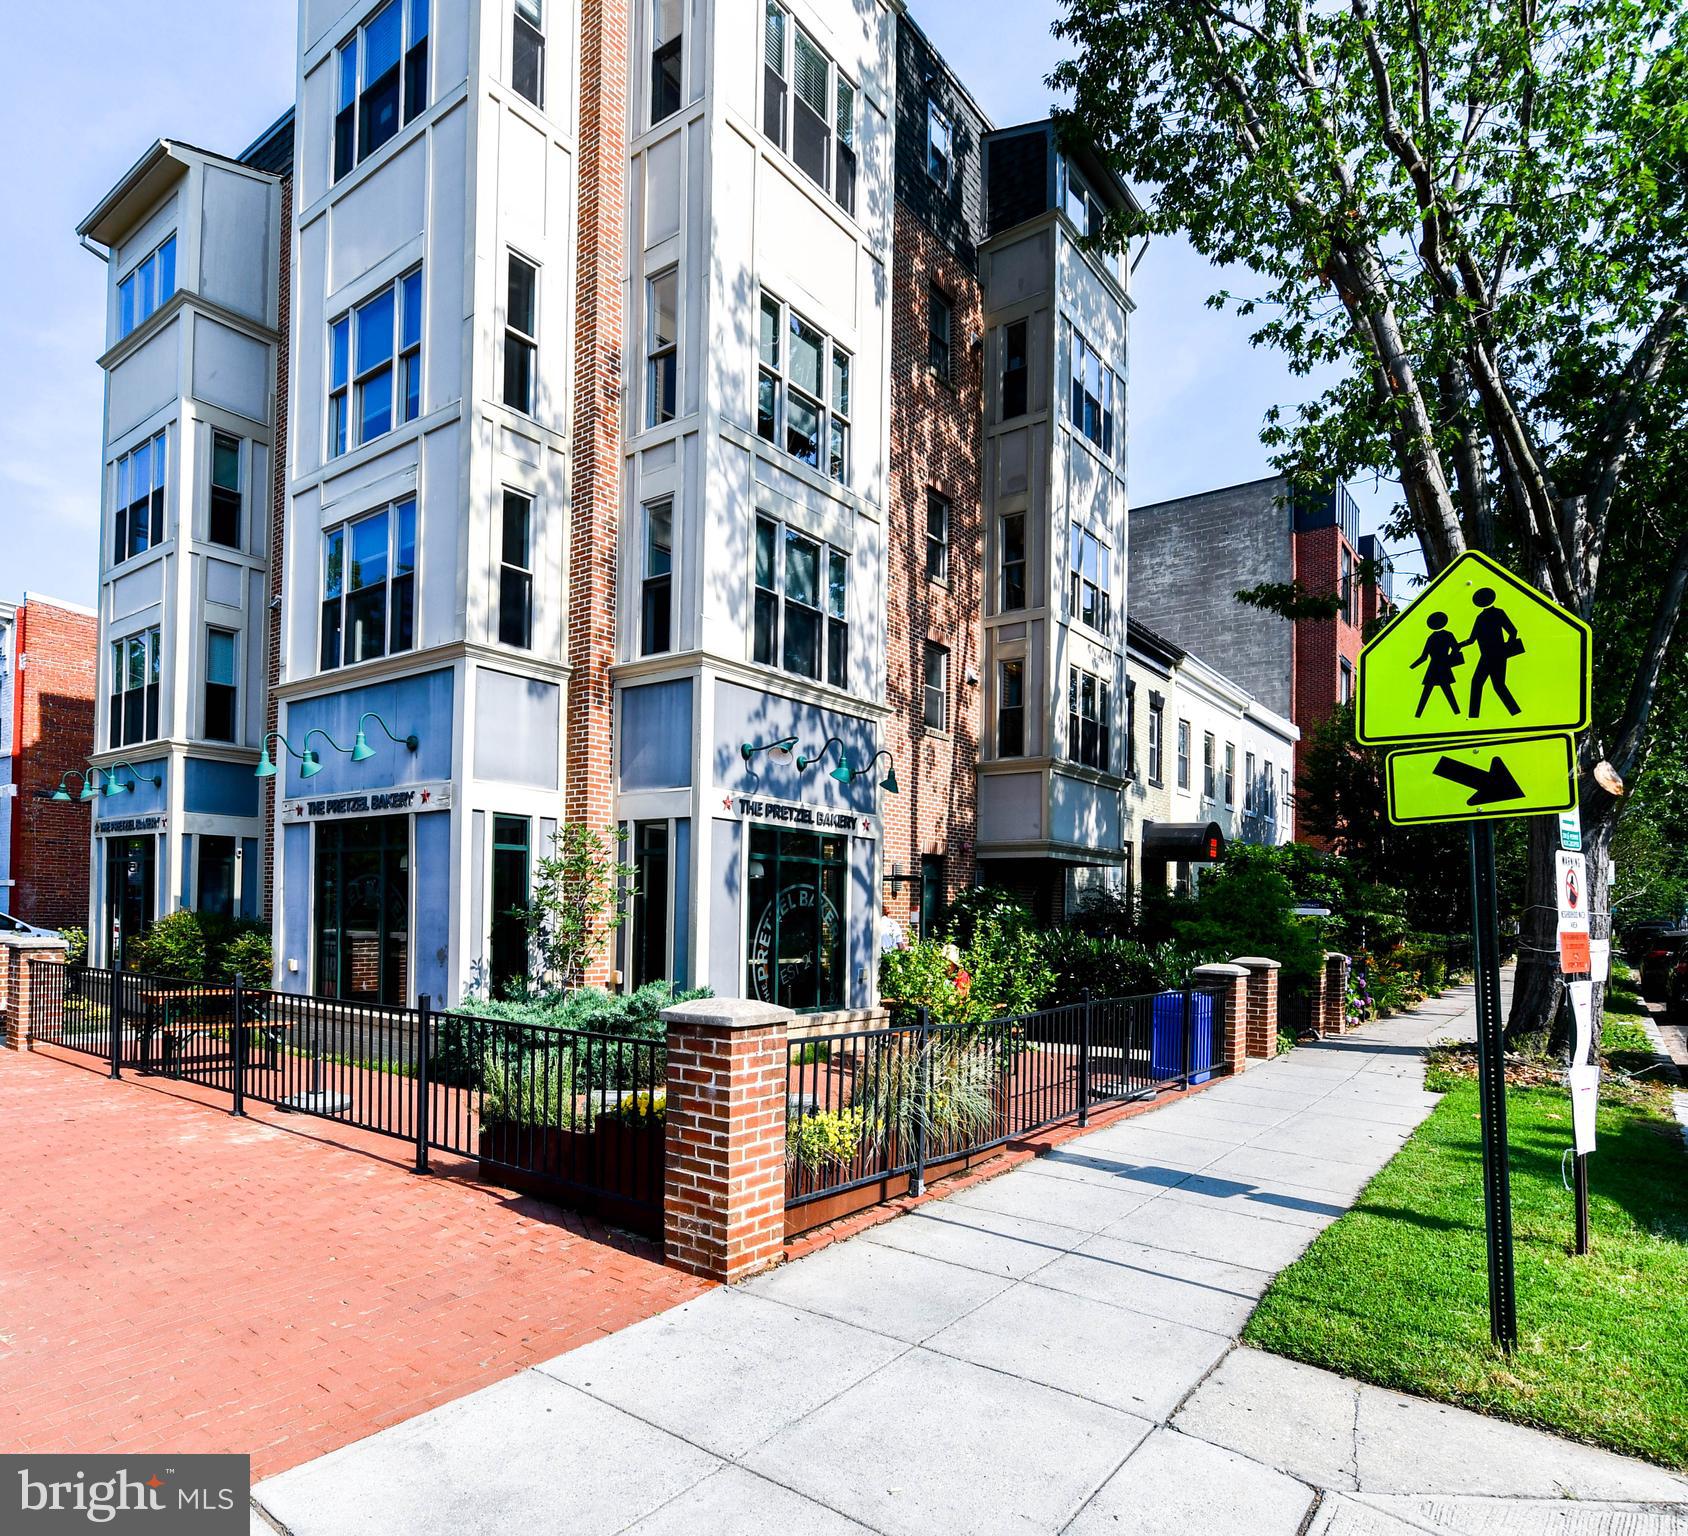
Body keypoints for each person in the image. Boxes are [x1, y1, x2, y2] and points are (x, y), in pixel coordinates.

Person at [1462, 587, 1523, 718]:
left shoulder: (1497, 614)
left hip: (1496, 656)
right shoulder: (1481, 617)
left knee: (1495, 685)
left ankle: (1516, 713)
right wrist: (1459, 645)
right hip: (1487, 657)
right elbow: (1472, 639)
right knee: (1481, 683)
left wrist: (1506, 648)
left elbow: (1513, 631)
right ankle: (1474, 717)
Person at [1410, 611, 1463, 718]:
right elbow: (1456, 649)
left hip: (1433, 667)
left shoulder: (1431, 638)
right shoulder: (1448, 635)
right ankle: (1457, 713)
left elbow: (1423, 657)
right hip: (1443, 666)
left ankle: (1418, 715)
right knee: (1447, 691)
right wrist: (1449, 659)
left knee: (1428, 693)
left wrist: (1412, 666)